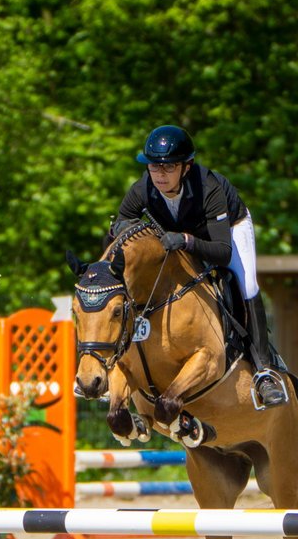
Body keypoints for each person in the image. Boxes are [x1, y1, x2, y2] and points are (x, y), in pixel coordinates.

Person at [112, 125, 288, 409]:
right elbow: (121, 225)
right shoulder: (143, 188)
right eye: (154, 167)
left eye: (168, 168)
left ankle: (264, 371)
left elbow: (220, 251)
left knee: (247, 283)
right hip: (177, 237)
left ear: (186, 166)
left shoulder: (210, 188)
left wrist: (184, 240)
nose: (160, 175)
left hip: (227, 230)